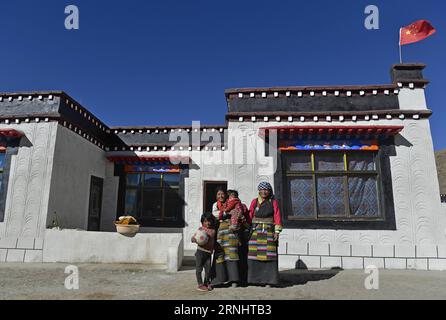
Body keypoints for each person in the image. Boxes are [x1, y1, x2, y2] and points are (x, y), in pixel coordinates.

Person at [247, 182, 283, 287]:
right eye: (262, 190)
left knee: (269, 255)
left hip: (269, 231)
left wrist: (277, 231)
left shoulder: (273, 202)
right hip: (255, 231)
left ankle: (269, 280)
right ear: (259, 191)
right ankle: (255, 280)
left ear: (269, 191)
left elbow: (277, 215)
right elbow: (250, 215)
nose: (264, 192)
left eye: (266, 190)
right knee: (253, 255)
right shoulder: (254, 201)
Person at [211, 188, 241, 287]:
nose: (221, 196)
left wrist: (227, 214)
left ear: (226, 195)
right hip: (220, 233)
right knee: (220, 254)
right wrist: (226, 213)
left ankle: (234, 280)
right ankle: (220, 279)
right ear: (216, 196)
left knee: (232, 253)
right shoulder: (215, 205)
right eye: (218, 194)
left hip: (231, 232)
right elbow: (214, 215)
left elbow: (237, 212)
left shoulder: (231, 202)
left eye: (222, 194)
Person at [191, 212, 216, 292]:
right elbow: (194, 237)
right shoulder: (200, 230)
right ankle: (200, 284)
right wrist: (194, 239)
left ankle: (206, 283)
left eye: (209, 221)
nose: (207, 223)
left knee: (208, 270)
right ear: (202, 222)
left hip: (208, 253)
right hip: (200, 252)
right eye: (205, 221)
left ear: (212, 221)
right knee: (199, 269)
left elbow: (211, 239)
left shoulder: (213, 231)